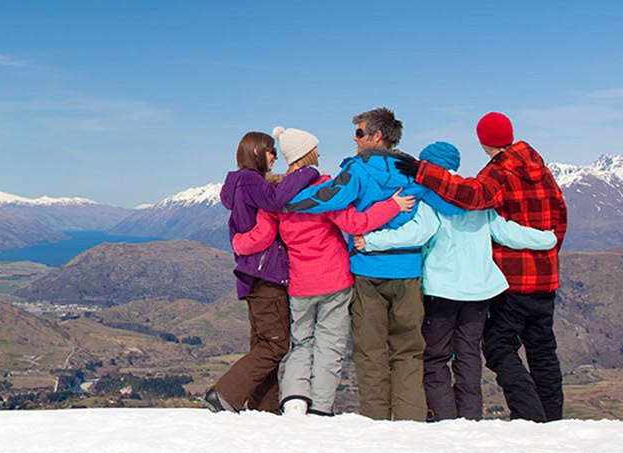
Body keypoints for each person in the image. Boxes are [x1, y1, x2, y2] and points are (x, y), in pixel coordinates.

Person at [283, 107, 462, 421]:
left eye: (360, 133)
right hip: (408, 273)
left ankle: (376, 422)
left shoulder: (359, 170)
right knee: (408, 351)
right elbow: (449, 202)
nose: (355, 139)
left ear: (377, 136)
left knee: (370, 351)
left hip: (367, 271)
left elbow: (330, 197)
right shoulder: (412, 170)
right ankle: (410, 421)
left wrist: (286, 201)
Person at [360, 141, 557, 421]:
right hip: (480, 291)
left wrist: (369, 240)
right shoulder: (476, 197)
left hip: (444, 290)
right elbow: (505, 232)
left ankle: (445, 418)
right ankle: (470, 417)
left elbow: (417, 233)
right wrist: (547, 238)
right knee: (468, 354)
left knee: (436, 355)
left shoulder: (432, 198)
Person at [231, 126, 414, 416]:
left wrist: (239, 243)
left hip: (300, 284)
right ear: (306, 153)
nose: (319, 152)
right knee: (330, 344)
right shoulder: (325, 192)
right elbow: (355, 223)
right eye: (314, 148)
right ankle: (320, 408)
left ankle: (294, 400)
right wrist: (392, 206)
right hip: (334, 281)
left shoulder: (277, 196)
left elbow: (264, 233)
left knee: (302, 343)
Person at [203, 131, 312, 413]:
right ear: (255, 152)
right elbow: (275, 200)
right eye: (270, 150)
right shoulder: (251, 179)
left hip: (253, 276)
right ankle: (225, 393)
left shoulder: (238, 185)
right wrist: (305, 173)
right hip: (268, 276)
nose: (275, 156)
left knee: (264, 343)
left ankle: (265, 407)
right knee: (276, 345)